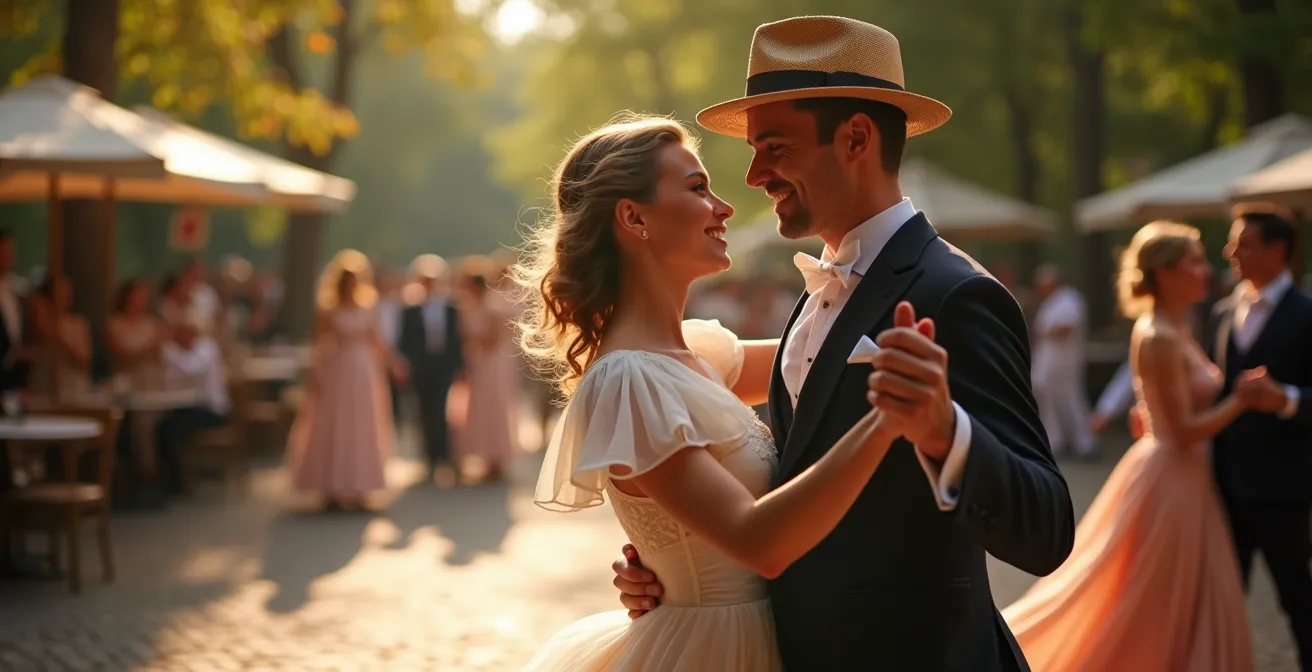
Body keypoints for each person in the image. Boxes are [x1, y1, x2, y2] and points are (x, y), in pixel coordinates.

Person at [603, 16, 1075, 670]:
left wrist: (945, 433)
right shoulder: (816, 292)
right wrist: (677, 568)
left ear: (854, 138)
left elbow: (1047, 529)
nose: (753, 175)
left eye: (774, 147)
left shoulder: (955, 295)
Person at [517, 113, 903, 672]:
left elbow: (825, 351)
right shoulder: (628, 381)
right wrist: (889, 418)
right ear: (633, 217)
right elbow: (757, 542)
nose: (723, 206)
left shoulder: (699, 358)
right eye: (698, 188)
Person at [1002, 221, 1258, 670]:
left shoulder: (1180, 326)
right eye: (1193, 260)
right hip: (1171, 478)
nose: (1205, 269)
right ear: (1164, 272)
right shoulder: (1158, 333)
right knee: (1148, 595)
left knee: (1173, 591)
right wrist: (1243, 400)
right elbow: (1182, 431)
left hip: (1189, 477)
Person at [1207, 203, 1312, 669]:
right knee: (1222, 598)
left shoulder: (1308, 313)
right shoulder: (1222, 312)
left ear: (1278, 250)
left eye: (1244, 243)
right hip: (1222, 485)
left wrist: (1285, 398)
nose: (1231, 252)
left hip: (1287, 488)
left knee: (1299, 597)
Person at [285, 251, 399, 511]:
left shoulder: (368, 307)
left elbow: (376, 341)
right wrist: (316, 375)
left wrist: (394, 364)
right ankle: (333, 488)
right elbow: (319, 345)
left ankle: (359, 486)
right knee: (336, 426)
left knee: (360, 427)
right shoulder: (328, 310)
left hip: (362, 372)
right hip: (339, 372)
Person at [398, 254, 463, 482]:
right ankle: (429, 456)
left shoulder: (450, 307)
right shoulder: (410, 309)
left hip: (443, 366)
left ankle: (443, 456)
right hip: (421, 367)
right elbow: (404, 340)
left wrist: (459, 365)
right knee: (424, 412)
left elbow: (457, 339)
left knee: (441, 410)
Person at [1030, 265, 1096, 458]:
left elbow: (1066, 327)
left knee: (1071, 400)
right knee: (1047, 400)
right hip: (1047, 362)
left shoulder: (1069, 299)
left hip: (1064, 362)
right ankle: (1055, 441)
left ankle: (1085, 443)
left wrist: (1047, 332)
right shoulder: (1049, 302)